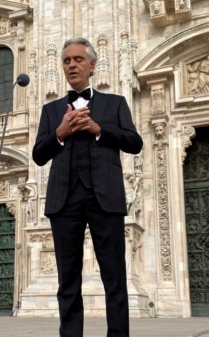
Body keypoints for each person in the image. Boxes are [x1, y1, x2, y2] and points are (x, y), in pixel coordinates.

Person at [32, 37, 143, 337]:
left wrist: (98, 130)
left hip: (105, 197)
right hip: (64, 200)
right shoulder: (52, 110)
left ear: (92, 65)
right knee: (68, 280)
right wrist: (60, 132)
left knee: (114, 277)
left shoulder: (114, 104)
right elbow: (38, 154)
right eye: (67, 60)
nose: (71, 65)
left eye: (78, 59)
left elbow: (135, 143)